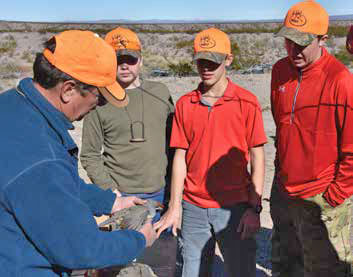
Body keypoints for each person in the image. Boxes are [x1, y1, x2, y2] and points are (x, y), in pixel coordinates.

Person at [0, 30, 156, 277]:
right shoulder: (42, 158)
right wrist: (138, 240)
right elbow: (80, 249)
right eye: (99, 97)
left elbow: (57, 186)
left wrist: (110, 202)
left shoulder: (12, 106)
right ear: (68, 90)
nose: (99, 106)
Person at [154, 27, 267, 277]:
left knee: (241, 271)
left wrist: (254, 209)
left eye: (213, 62)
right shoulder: (185, 104)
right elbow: (180, 157)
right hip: (193, 206)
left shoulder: (246, 102)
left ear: (228, 60)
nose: (206, 67)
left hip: (234, 207)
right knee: (192, 271)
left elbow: (257, 157)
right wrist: (175, 207)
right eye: (201, 61)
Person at [270, 1, 353, 276]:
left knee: (324, 270)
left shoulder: (340, 80)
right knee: (285, 264)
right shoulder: (279, 71)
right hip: (284, 190)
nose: (293, 49)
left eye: (302, 42)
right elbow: (282, 127)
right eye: (288, 41)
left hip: (321, 195)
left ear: (323, 39)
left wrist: (334, 196)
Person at [80, 27, 174, 223]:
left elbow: (174, 142)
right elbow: (89, 155)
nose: (124, 66)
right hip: (123, 197)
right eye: (117, 60)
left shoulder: (160, 92)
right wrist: (112, 193)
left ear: (140, 60)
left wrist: (174, 188)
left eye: (130, 59)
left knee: (160, 250)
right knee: (125, 251)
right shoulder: (98, 100)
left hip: (162, 192)